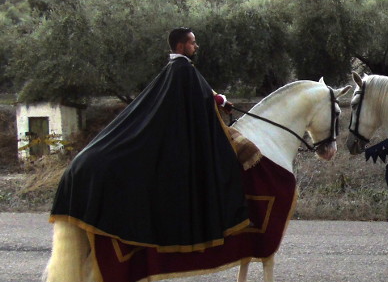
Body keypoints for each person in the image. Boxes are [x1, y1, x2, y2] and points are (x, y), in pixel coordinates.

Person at [50, 27, 249, 249]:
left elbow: (203, 93)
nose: (196, 46)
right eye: (193, 43)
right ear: (181, 46)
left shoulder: (175, 68)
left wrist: (219, 100)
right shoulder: (183, 69)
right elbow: (201, 98)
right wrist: (218, 102)